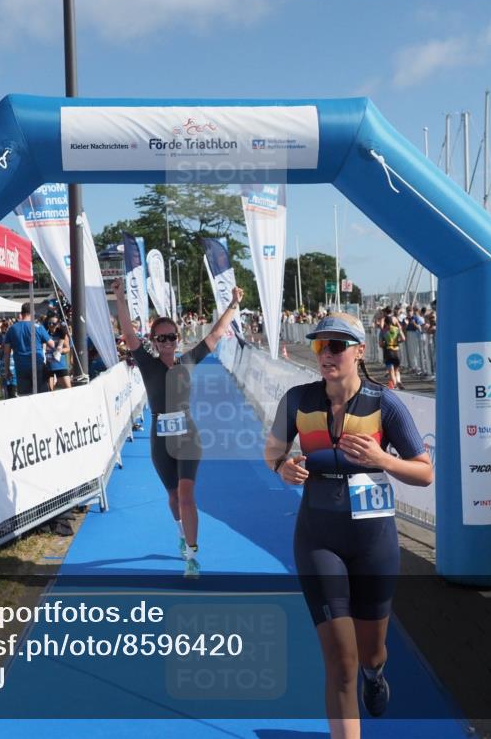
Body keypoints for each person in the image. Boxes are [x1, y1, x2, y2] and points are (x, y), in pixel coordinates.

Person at [264, 313, 432, 735]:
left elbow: (424, 472)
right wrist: (283, 466)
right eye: (320, 346)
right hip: (318, 538)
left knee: (371, 653)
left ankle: (376, 675)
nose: (326, 354)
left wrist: (383, 461)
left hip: (373, 541)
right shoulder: (298, 400)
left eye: (336, 346)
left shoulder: (384, 403)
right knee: (341, 663)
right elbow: (272, 452)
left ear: (360, 350)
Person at [111, 277, 244, 579]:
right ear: (154, 342)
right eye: (162, 338)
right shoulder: (146, 363)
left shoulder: (189, 361)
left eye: (172, 337)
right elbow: (128, 333)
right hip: (160, 440)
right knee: (173, 498)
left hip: (188, 437)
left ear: (178, 338)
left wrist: (234, 304)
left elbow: (217, 333)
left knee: (186, 495)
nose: (168, 342)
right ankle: (181, 534)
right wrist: (119, 298)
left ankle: (193, 556)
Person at [3, 302, 56, 395]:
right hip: (37, 365)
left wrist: (7, 370)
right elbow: (52, 344)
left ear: (22, 313)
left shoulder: (12, 329)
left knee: (25, 396)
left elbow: (6, 352)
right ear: (32, 313)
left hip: (21, 366)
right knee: (42, 395)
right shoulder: (38, 327)